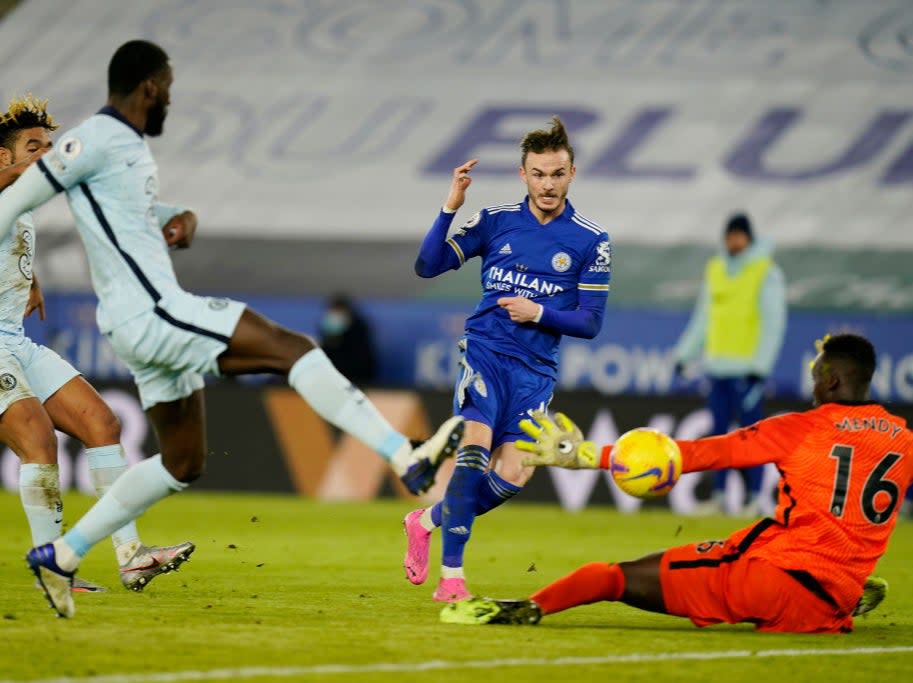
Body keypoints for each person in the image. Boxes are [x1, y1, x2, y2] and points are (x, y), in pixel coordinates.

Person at [0, 40, 463, 618]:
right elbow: (16, 196)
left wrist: (176, 218)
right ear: (149, 87)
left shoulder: (123, 149)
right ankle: (406, 456)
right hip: (151, 312)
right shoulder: (90, 140)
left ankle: (64, 555)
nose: (170, 96)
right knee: (289, 348)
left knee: (179, 462)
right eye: (167, 86)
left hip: (122, 323)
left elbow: (121, 214)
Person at [443, 334, 911, 634]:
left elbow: (706, 454)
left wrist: (586, 455)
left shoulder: (801, 428)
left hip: (773, 580)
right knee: (781, 557)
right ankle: (841, 597)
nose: (812, 388)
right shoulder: (903, 440)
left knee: (613, 576)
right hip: (836, 591)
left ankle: (523, 608)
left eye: (815, 379)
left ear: (830, 382)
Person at [404, 116, 611, 602]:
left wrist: (537, 311)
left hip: (535, 372)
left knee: (515, 472)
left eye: (557, 174)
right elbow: (427, 265)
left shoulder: (590, 240)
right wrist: (449, 208)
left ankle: (427, 519)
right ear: (523, 175)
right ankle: (452, 578)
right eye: (538, 174)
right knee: (472, 454)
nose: (547, 184)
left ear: (572, 174)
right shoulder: (496, 221)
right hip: (486, 353)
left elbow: (590, 322)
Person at [0, 95, 192, 592]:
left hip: (14, 341)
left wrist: (32, 279)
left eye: (48, 145)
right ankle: (52, 571)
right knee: (37, 439)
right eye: (33, 147)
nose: (47, 154)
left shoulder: (21, 204)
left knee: (102, 424)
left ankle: (131, 556)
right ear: (5, 157)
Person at [673, 213, 787, 516]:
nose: (734, 241)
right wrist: (685, 355)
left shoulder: (766, 271)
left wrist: (760, 367)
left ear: (749, 238)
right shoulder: (716, 269)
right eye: (730, 236)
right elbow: (703, 319)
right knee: (718, 438)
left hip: (747, 370)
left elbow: (773, 323)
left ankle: (752, 499)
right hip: (717, 368)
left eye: (739, 236)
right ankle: (720, 496)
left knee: (752, 438)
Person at [319, 294, 378, 385]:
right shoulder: (326, 329)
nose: (335, 315)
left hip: (357, 379)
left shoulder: (359, 330)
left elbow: (362, 361)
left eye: (339, 311)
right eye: (333, 311)